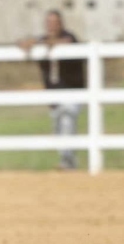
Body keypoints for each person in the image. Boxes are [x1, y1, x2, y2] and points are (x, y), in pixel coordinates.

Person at [19, 10, 86, 170]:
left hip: (71, 92)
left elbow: (67, 42)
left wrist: (47, 43)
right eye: (49, 22)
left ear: (61, 23)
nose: (52, 25)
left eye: (55, 22)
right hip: (54, 95)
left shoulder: (70, 37)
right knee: (58, 128)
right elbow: (24, 43)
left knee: (66, 121)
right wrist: (30, 43)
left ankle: (67, 162)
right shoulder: (43, 41)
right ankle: (69, 161)